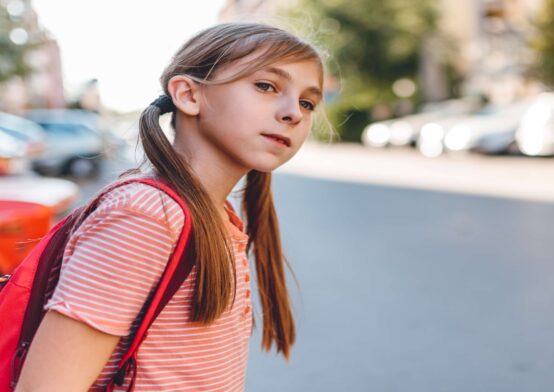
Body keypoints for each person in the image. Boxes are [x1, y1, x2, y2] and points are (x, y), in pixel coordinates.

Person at [15, 22, 325, 391]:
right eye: (266, 86)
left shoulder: (214, 216)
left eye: (308, 102)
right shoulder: (146, 216)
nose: (294, 113)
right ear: (188, 95)